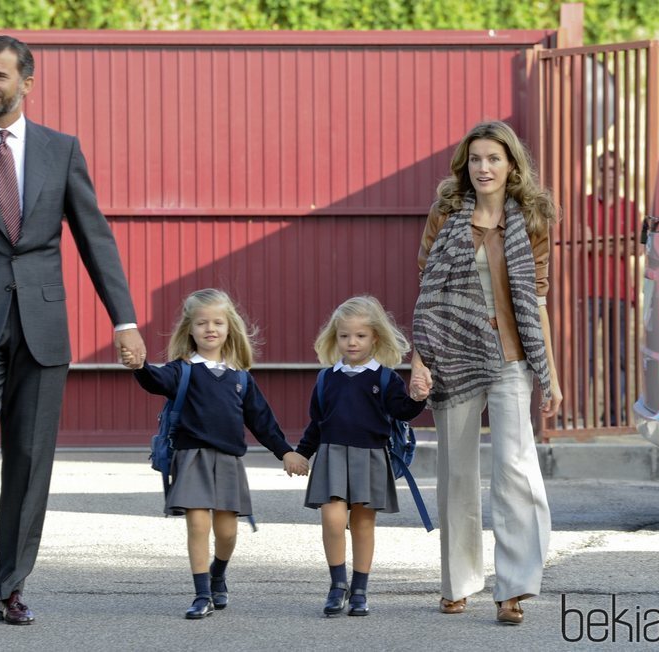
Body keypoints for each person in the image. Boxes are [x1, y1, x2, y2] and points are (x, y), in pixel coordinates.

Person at [0, 35, 146, 630]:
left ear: (26, 83)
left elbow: (96, 240)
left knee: (30, 459)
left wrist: (125, 321)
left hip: (43, 330)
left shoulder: (61, 151)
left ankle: (13, 586)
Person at [410, 121, 562, 625]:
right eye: (475, 159)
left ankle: (513, 587)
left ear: (511, 165)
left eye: (494, 158)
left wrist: (552, 375)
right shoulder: (446, 214)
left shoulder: (532, 220)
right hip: (452, 355)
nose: (484, 168)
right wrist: (420, 358)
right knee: (456, 472)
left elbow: (537, 299)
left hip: (510, 357)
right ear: (465, 166)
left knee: (515, 470)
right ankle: (458, 582)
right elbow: (427, 293)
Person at [122, 288, 309, 619]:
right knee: (197, 525)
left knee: (227, 532)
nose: (210, 328)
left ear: (229, 328)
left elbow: (262, 421)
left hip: (228, 462)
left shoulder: (240, 377)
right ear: (190, 330)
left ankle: (218, 573)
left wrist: (286, 452)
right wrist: (139, 366)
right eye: (202, 323)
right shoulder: (182, 370)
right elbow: (154, 380)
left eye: (218, 322)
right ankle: (201, 594)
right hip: (191, 457)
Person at [295, 296, 428, 617]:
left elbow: (403, 411)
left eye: (360, 336)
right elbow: (317, 422)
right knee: (332, 518)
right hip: (331, 456)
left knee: (364, 525)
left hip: (370, 457)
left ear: (375, 338)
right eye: (344, 336)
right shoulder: (327, 378)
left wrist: (418, 398)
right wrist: (301, 453)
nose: (351, 342)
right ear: (335, 337)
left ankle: (359, 590)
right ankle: (337, 584)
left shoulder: (385, 378)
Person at [585, 150, 634, 426]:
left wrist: (598, 243)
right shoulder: (586, 204)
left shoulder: (630, 206)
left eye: (615, 169)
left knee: (619, 356)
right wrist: (615, 245)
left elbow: (636, 247)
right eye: (605, 169)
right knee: (588, 354)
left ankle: (615, 416)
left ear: (623, 173)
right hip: (590, 290)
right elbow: (583, 243)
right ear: (598, 173)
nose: (610, 175)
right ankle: (581, 415)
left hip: (620, 292)